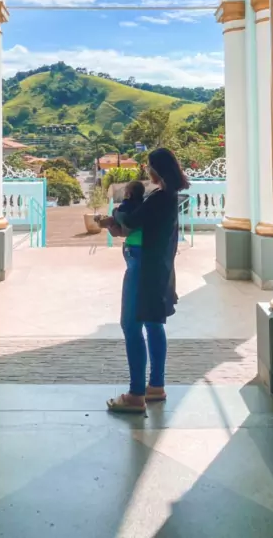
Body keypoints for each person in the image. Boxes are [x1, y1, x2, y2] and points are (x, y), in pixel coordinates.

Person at [103, 148, 188, 414]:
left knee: (130, 325)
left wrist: (117, 213)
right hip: (155, 267)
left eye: (149, 166)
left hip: (143, 267)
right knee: (153, 323)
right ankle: (155, 386)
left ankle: (136, 394)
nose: (147, 170)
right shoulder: (166, 196)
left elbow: (131, 219)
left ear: (157, 169)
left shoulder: (159, 198)